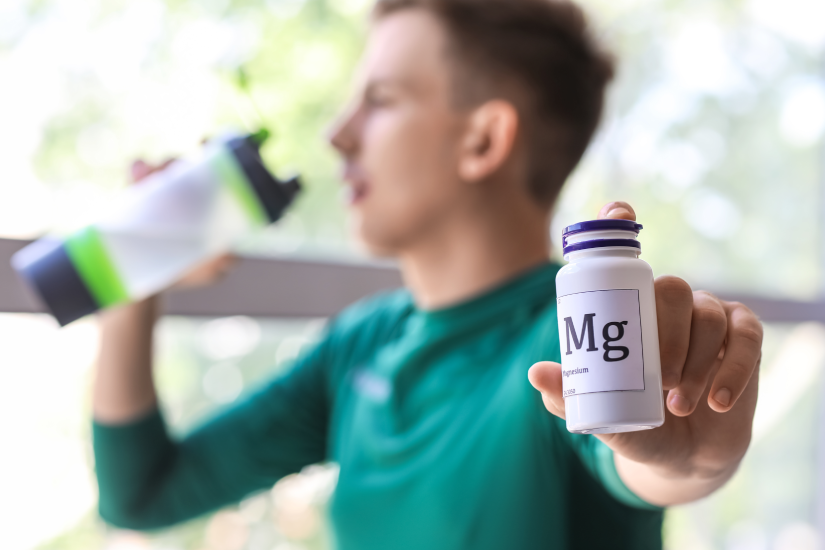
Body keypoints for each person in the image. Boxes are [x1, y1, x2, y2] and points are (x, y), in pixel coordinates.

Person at [92, 0, 763, 548]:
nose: (337, 135)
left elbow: (653, 461)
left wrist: (695, 457)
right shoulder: (360, 344)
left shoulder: (578, 331)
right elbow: (142, 495)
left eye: (380, 100)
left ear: (483, 140)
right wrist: (133, 279)